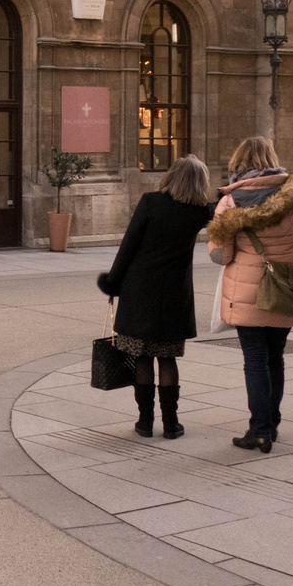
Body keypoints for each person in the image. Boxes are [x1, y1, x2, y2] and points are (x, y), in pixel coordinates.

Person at [207, 137, 293, 454]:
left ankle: (259, 430)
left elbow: (221, 256)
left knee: (255, 361)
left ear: (240, 163)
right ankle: (273, 422)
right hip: (284, 287)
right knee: (275, 357)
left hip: (246, 290)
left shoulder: (230, 203)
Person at [97, 155, 216, 439]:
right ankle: (172, 424)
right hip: (175, 296)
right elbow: (225, 202)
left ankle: (145, 422)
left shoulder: (151, 202)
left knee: (141, 357)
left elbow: (128, 246)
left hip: (140, 292)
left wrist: (112, 282)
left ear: (171, 175)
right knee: (167, 359)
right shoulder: (200, 211)